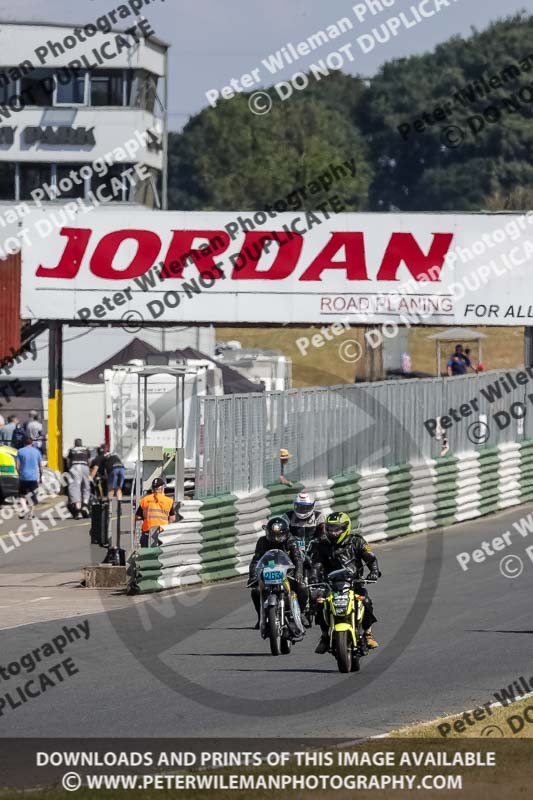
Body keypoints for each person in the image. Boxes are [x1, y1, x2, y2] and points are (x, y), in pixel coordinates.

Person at [309, 511, 381, 653]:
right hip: (330, 585)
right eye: (330, 529)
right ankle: (324, 636)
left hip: (354, 584)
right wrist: (313, 577)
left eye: (337, 529)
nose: (334, 533)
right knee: (319, 603)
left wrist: (374, 572)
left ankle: (368, 634)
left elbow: (370, 558)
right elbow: (316, 564)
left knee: (366, 601)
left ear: (346, 528)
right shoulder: (321, 545)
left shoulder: (357, 541)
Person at [247, 514, 306, 633]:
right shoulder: (262, 541)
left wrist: (298, 573)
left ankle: (302, 612)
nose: (276, 539)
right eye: (273, 535)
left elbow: (297, 558)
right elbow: (256, 559)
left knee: (302, 587)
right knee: (256, 591)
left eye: (280, 535)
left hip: (288, 572)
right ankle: (261, 617)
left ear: (286, 533)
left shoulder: (291, 540)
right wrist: (253, 576)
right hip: (268, 571)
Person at [135, 477, 177, 548]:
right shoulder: (168, 501)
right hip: (162, 533)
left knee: (145, 556)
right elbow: (172, 518)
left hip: (147, 533)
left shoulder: (145, 500)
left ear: (152, 488)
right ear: (162, 488)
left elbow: (137, 517)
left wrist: (146, 516)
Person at [16, 436, 43, 520]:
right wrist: (41, 476)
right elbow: (40, 466)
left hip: (23, 476)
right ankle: (31, 514)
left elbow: (17, 466)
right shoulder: (37, 452)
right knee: (32, 495)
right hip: (33, 477)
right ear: (32, 443)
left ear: (24, 443)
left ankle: (25, 508)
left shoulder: (20, 451)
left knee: (22, 495)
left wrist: (19, 473)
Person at [67, 438, 91, 519]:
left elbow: (69, 461)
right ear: (81, 443)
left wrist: (69, 469)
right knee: (86, 486)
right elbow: (88, 460)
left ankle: (78, 510)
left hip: (75, 467)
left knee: (75, 487)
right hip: (85, 466)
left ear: (75, 444)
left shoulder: (72, 450)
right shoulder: (86, 449)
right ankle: (85, 504)